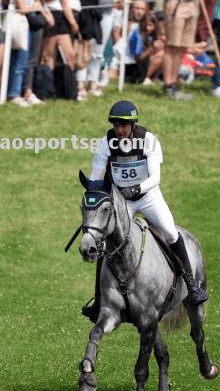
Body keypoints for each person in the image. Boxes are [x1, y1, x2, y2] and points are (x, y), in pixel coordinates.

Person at [81, 101, 208, 322]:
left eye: (124, 125)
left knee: (170, 232)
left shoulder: (149, 140)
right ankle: (99, 299)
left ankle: (192, 285)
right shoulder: (105, 143)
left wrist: (137, 188)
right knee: (107, 243)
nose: (120, 130)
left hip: (148, 197)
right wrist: (91, 187)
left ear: (132, 125)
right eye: (116, 125)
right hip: (123, 202)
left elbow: (155, 178)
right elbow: (96, 175)